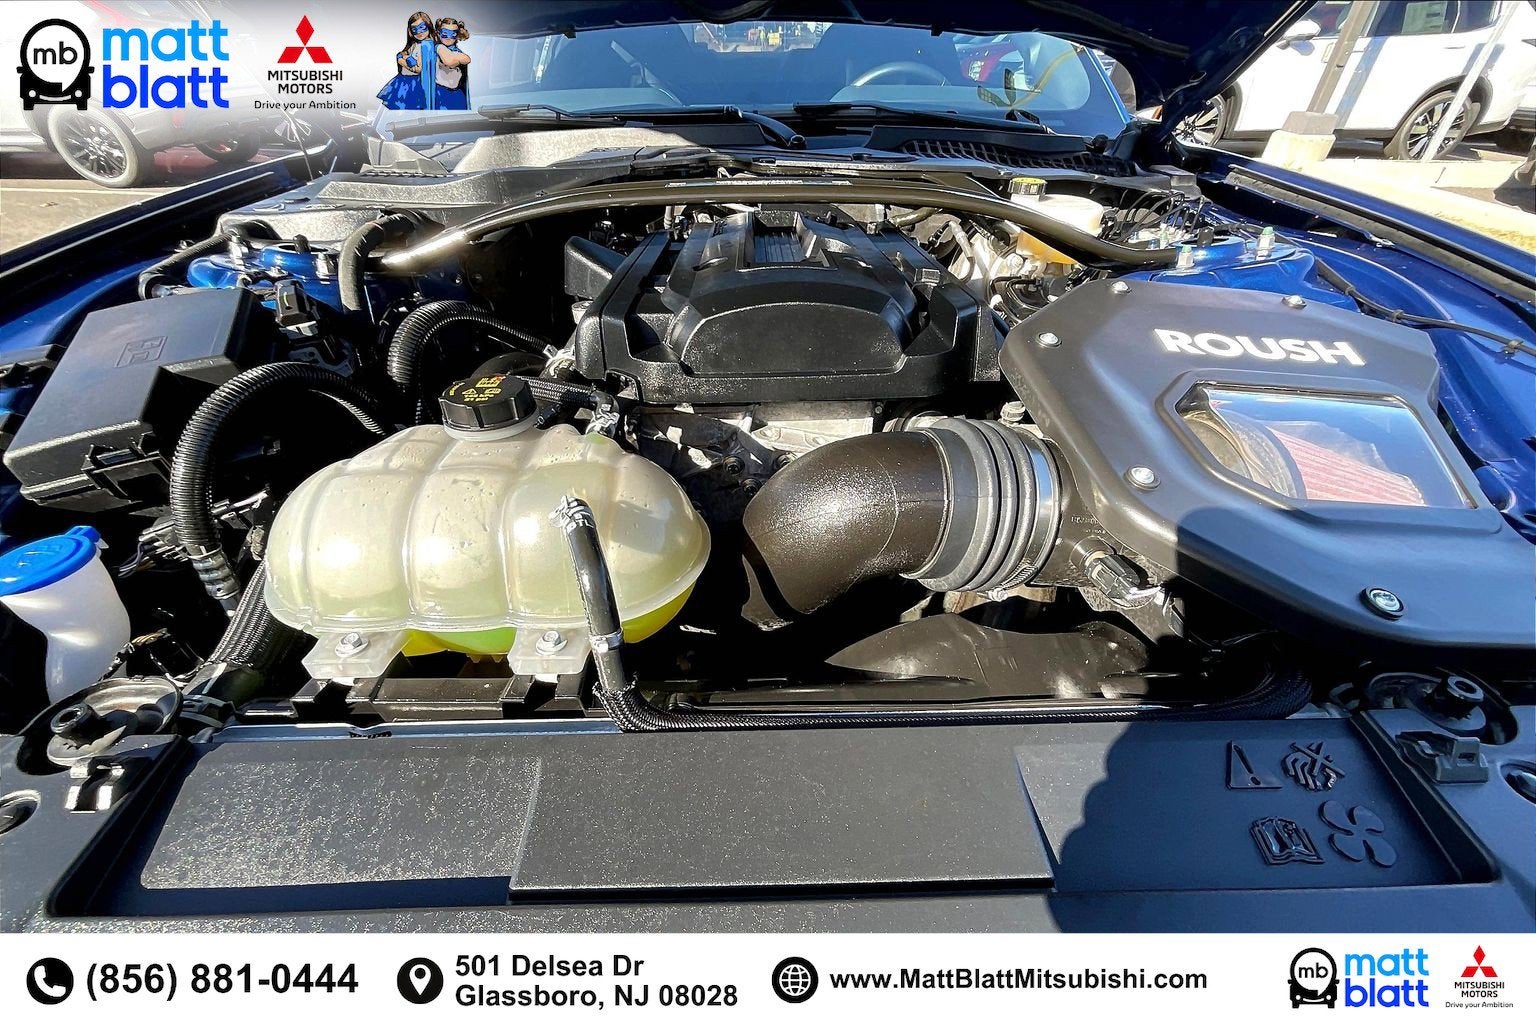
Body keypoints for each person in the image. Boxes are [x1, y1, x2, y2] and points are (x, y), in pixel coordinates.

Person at [376, 11, 436, 110]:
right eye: (414, 29)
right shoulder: (415, 44)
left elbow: (418, 69)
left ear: (428, 26)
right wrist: (405, 57)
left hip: (413, 84)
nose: (419, 32)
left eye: (422, 27)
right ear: (410, 31)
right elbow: (405, 54)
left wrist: (402, 60)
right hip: (403, 81)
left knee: (407, 109)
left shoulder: (427, 46)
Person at [433, 17, 471, 110]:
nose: (448, 37)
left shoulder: (455, 49)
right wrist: (457, 58)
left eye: (453, 34)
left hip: (456, 91)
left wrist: (454, 56)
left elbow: (467, 59)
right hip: (441, 92)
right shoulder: (439, 47)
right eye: (445, 33)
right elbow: (450, 62)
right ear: (438, 33)